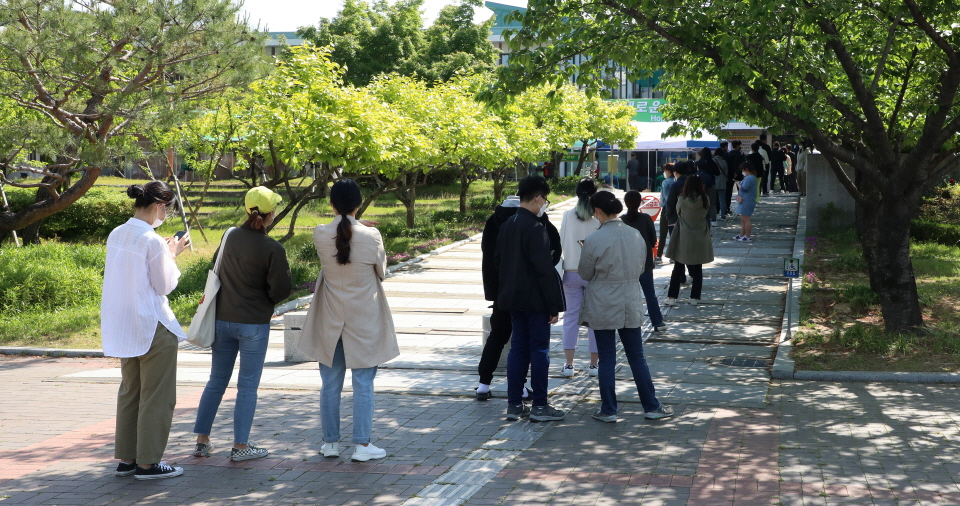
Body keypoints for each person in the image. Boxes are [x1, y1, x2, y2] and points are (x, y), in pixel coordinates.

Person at [298, 179, 399, 462]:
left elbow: (339, 235)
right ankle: (362, 446)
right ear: (359, 204)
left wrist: (354, 225)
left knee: (330, 382)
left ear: (331, 204)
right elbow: (382, 271)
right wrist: (364, 228)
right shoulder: (372, 236)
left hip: (330, 317)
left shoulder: (320, 233)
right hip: (364, 319)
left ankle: (330, 443)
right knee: (363, 383)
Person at [193, 187, 293, 462]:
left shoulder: (229, 236)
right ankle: (240, 446)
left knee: (216, 381)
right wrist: (265, 298)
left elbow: (215, 267)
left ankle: (202, 441)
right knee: (247, 386)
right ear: (270, 214)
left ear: (247, 209)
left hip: (222, 320)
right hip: (254, 324)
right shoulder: (273, 248)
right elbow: (282, 289)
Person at [102, 181, 191, 480]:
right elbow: (164, 285)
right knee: (157, 396)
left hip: (125, 326)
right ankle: (148, 463)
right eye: (166, 208)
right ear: (159, 206)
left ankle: (127, 460)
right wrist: (173, 252)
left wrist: (164, 251)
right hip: (152, 325)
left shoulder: (117, 233)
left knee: (131, 392)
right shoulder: (151, 241)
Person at [578, 191, 674, 423]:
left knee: (607, 358)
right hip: (630, 300)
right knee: (636, 356)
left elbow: (584, 273)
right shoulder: (635, 235)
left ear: (598, 211)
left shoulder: (593, 240)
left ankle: (609, 410)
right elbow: (643, 266)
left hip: (602, 302)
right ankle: (651, 406)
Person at [494, 175, 567, 422]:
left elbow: (498, 263)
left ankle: (514, 404)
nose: (544, 203)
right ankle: (540, 406)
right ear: (537, 198)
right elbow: (544, 270)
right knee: (539, 351)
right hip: (535, 301)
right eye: (544, 199)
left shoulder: (508, 224)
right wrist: (554, 305)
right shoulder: (536, 228)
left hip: (512, 299)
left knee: (517, 350)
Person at [477, 194, 560, 400]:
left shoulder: (493, 221)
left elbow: (490, 256)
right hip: (527, 292)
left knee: (498, 335)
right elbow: (554, 250)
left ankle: (483, 385)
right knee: (523, 343)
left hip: (501, 291)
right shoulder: (534, 221)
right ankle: (521, 389)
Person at [559, 179, 600, 377]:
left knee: (570, 318)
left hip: (571, 272)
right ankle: (594, 365)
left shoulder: (567, 215)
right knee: (594, 320)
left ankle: (569, 364)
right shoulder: (598, 217)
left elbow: (560, 242)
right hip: (594, 275)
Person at [664, 175, 714, 306]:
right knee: (697, 268)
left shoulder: (681, 199)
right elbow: (706, 213)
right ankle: (695, 297)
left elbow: (678, 213)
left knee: (678, 266)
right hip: (700, 235)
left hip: (683, 235)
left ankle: (672, 297)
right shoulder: (705, 199)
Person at [621, 190, 666, 333]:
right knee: (649, 293)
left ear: (625, 203)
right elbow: (653, 241)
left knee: (627, 294)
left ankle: (626, 323)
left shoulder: (621, 220)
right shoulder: (646, 218)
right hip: (644, 262)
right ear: (640, 203)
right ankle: (657, 322)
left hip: (627, 263)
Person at [655, 164, 675, 263]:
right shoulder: (676, 181)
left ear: (667, 171)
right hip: (676, 210)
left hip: (666, 209)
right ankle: (673, 256)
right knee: (674, 234)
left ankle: (659, 255)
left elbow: (666, 198)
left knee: (663, 233)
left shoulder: (666, 182)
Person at [735, 162, 758, 242]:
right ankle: (742, 234)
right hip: (746, 200)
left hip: (746, 200)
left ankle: (747, 236)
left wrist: (738, 184)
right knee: (743, 219)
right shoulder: (751, 177)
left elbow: (744, 188)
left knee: (746, 219)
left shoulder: (750, 178)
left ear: (747, 169)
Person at [694, 148, 717, 226]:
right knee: (712, 201)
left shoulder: (698, 163)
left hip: (699, 184)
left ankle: (702, 216)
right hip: (711, 183)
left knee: (701, 200)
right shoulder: (712, 162)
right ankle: (713, 218)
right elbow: (718, 173)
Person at [724, 140, 745, 216]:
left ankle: (727, 208)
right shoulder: (741, 154)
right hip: (739, 175)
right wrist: (737, 172)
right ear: (738, 145)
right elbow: (742, 164)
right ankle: (740, 209)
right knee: (740, 192)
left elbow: (727, 165)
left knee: (728, 192)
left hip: (730, 175)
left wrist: (732, 173)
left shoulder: (729, 154)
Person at [712, 147, 729, 221]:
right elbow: (726, 173)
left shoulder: (712, 161)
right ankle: (723, 215)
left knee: (713, 200)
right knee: (722, 199)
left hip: (713, 182)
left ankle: (713, 215)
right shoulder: (724, 162)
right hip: (722, 181)